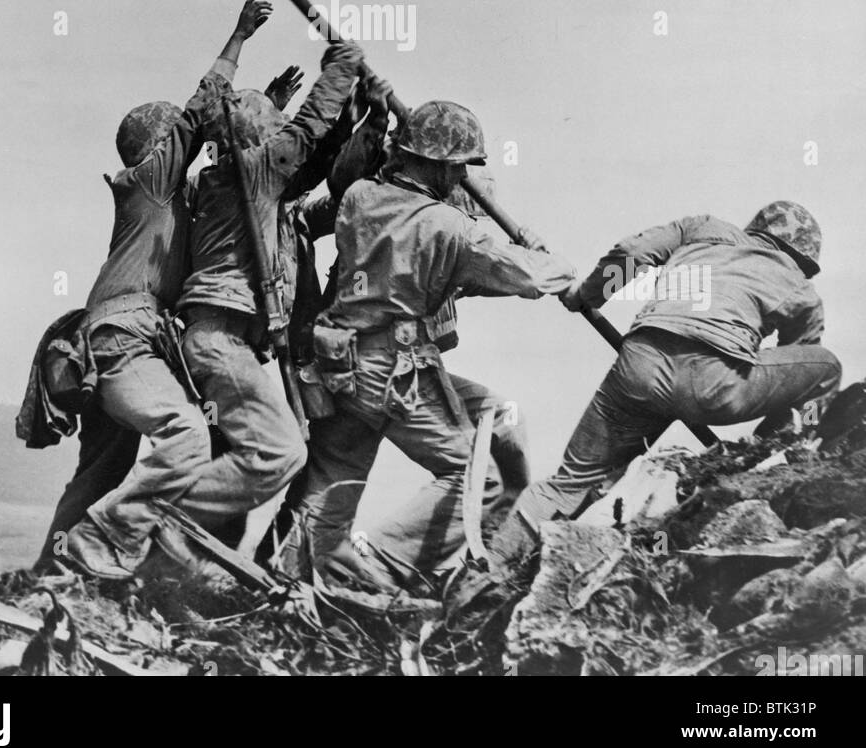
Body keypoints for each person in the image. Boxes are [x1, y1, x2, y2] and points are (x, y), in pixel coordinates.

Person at [275, 100, 576, 592]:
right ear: (434, 163)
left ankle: (292, 582)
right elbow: (524, 275)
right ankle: (383, 566)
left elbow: (416, 258)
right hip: (394, 371)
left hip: (340, 363)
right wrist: (552, 260)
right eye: (457, 165)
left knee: (333, 483)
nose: (462, 176)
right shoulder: (448, 226)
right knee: (477, 480)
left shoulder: (360, 197)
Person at [41, 0, 272, 578]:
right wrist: (238, 38)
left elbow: (230, 155)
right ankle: (106, 545)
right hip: (123, 340)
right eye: (176, 142)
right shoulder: (147, 183)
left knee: (101, 472)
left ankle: (51, 573)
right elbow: (199, 115)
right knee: (185, 432)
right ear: (158, 147)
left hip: (112, 343)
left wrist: (267, 112)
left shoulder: (168, 200)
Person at [511, 200, 841, 538]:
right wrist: (769, 437)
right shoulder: (801, 289)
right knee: (826, 367)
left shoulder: (702, 228)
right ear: (802, 257)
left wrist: (590, 295)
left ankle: (488, 567)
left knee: (568, 482)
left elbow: (633, 253)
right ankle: (767, 452)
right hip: (714, 386)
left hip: (639, 368)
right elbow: (798, 365)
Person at [156, 39, 366, 558]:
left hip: (234, 345)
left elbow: (321, 184)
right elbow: (306, 132)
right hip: (220, 340)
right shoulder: (251, 178)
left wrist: (362, 126)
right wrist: (341, 70)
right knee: (280, 452)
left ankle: (173, 564)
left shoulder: (249, 189)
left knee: (248, 466)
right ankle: (157, 517)